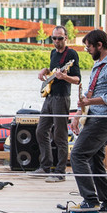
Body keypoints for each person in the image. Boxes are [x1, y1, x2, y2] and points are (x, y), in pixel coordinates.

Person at [70, 29, 107, 213]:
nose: (88, 51)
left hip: (103, 119)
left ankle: (90, 200)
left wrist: (89, 102)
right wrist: (78, 114)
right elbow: (89, 94)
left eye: (89, 48)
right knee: (95, 161)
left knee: (77, 155)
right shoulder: (98, 64)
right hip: (92, 116)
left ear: (99, 45)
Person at [32, 26, 80, 182]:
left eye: (60, 38)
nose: (57, 41)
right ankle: (45, 166)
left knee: (60, 135)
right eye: (54, 38)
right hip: (50, 97)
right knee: (41, 131)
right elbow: (52, 69)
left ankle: (60, 172)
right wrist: (45, 70)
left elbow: (77, 79)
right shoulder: (53, 53)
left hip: (62, 97)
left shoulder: (71, 54)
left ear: (66, 38)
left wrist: (64, 77)